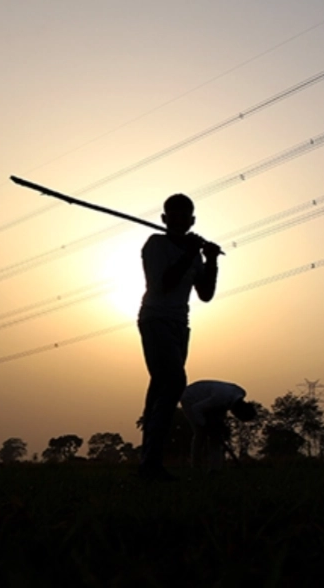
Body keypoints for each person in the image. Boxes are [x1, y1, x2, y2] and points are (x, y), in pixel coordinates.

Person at [137, 193, 221, 481]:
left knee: (159, 390)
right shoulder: (156, 244)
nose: (179, 220)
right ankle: (152, 463)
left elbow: (206, 294)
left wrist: (209, 260)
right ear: (164, 219)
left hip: (179, 326)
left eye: (184, 216)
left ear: (192, 220)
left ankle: (148, 464)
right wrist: (188, 253)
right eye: (173, 215)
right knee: (174, 383)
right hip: (155, 320)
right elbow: (162, 284)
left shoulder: (194, 253)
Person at [181, 380, 259, 471]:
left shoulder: (239, 392)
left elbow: (220, 409)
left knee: (216, 437)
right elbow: (196, 409)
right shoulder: (220, 399)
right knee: (200, 433)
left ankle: (215, 469)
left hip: (209, 399)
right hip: (191, 399)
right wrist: (206, 425)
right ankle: (196, 467)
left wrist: (218, 427)